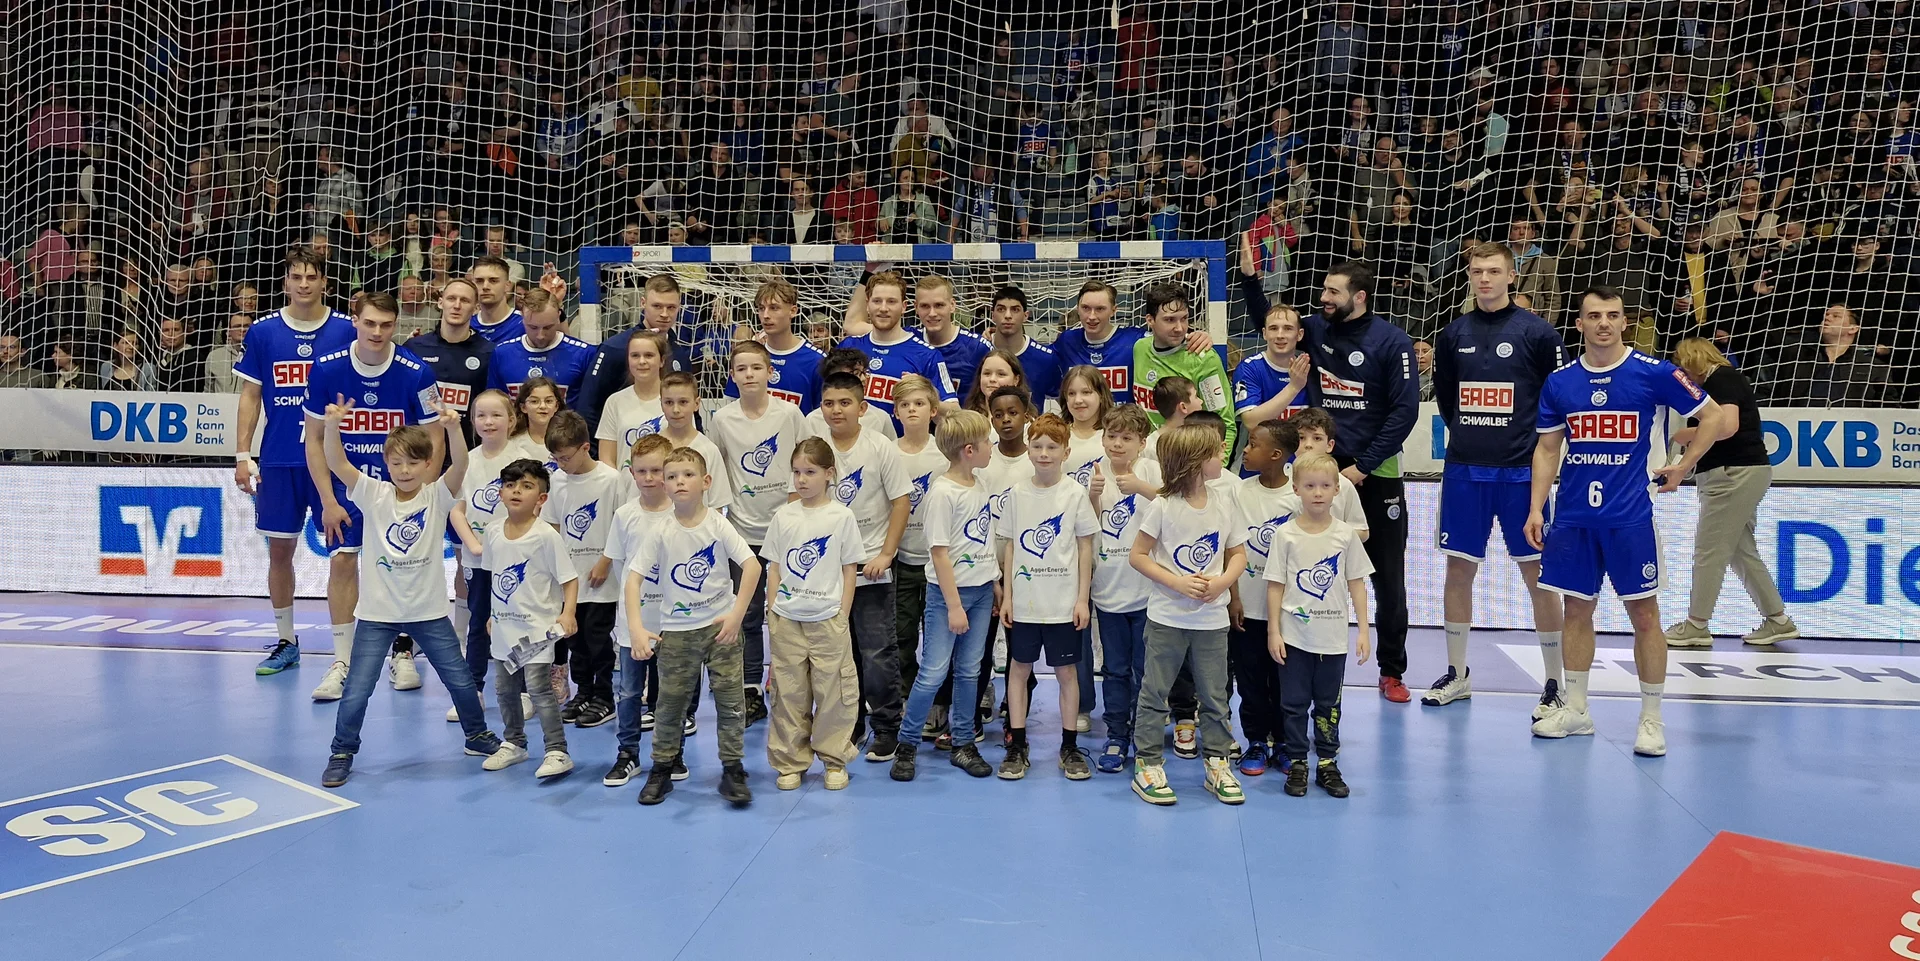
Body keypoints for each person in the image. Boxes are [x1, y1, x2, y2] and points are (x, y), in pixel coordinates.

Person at [1525, 286, 1728, 758]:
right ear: (1579, 323)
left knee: (1645, 616)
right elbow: (1548, 449)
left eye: (1612, 315)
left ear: (1624, 322)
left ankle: (1652, 719)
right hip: (1573, 517)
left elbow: (1714, 416)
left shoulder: (1654, 373)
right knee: (1576, 611)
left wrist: (1684, 465)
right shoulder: (1560, 382)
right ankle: (1577, 709)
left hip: (1630, 516)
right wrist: (1536, 508)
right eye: (1594, 315)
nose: (1604, 323)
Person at [318, 396, 500, 787]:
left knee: (461, 681)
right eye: (397, 463)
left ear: (428, 464)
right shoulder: (373, 493)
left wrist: (453, 428)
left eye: (414, 463)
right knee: (357, 690)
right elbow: (336, 462)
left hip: (429, 612)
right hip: (376, 614)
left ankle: (476, 735)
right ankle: (342, 751)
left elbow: (461, 463)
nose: (404, 470)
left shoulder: (438, 495)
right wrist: (332, 426)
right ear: (386, 463)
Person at [1423, 242, 1569, 711]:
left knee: (1538, 574)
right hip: (1465, 471)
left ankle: (1555, 681)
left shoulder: (1538, 333)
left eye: (1493, 271)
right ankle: (1458, 673)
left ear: (1511, 276)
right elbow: (1448, 399)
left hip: (1523, 474)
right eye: (1477, 271)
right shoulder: (1452, 334)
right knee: (1458, 570)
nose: (1484, 279)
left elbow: (1558, 398)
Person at [300, 291, 442, 702]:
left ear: (395, 325)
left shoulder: (417, 372)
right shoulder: (326, 368)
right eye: (370, 323)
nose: (377, 331)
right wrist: (327, 500)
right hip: (349, 488)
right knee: (343, 561)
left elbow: (435, 439)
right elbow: (313, 439)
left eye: (385, 324)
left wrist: (423, 495)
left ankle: (402, 652)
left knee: (402, 568)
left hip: (402, 490)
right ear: (355, 322)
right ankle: (342, 661)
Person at [233, 248, 354, 678]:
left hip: (335, 462)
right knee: (280, 551)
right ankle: (286, 641)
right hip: (280, 459)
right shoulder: (264, 332)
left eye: (311, 276)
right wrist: (243, 455)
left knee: (345, 554)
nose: (304, 284)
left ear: (324, 283)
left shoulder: (347, 330)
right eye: (296, 277)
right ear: (285, 282)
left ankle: (345, 653)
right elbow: (250, 396)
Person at [1303, 261, 1418, 702]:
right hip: (1323, 472)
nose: (1324, 298)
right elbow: (1269, 322)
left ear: (1359, 297)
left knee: (1388, 576)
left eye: (1333, 292)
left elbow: (1405, 412)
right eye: (1324, 290)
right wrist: (1252, 279)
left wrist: (1363, 466)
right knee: (1309, 565)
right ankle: (1304, 664)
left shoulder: (1391, 341)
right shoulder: (1316, 327)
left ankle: (1392, 671)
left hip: (1375, 472)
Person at [628, 447, 762, 806]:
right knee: (669, 704)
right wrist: (636, 628)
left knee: (731, 703)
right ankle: (662, 767)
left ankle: (732, 768)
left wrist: (736, 614)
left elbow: (752, 566)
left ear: (706, 482)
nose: (679, 482)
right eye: (671, 476)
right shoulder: (660, 530)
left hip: (721, 631)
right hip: (677, 632)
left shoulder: (718, 524)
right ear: (664, 485)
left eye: (687, 475)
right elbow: (633, 579)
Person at [1127, 424, 1250, 806]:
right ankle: (1147, 763)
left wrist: (1223, 583)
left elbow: (1238, 554)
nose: (1222, 456)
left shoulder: (1225, 502)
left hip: (1211, 622)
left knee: (1215, 696)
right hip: (1167, 619)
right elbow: (1138, 555)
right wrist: (1177, 583)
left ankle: (1217, 762)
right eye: (1215, 452)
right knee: (1155, 692)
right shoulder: (1163, 506)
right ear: (1196, 462)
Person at [1664, 337, 1799, 647]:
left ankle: (1697, 624)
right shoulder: (1728, 380)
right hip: (1741, 472)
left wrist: (1683, 435)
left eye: (1682, 365)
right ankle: (1778, 620)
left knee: (1709, 551)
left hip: (1732, 473)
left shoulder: (1721, 379)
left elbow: (1726, 427)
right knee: (1741, 552)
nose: (1682, 374)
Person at [893, 409, 1000, 780]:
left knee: (970, 671)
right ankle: (907, 744)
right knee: (934, 671)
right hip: (948, 597)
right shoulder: (942, 493)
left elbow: (982, 539)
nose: (991, 447)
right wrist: (954, 606)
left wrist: (994, 581)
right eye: (986, 442)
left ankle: (963, 742)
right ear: (969, 450)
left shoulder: (979, 485)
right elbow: (939, 553)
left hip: (981, 592)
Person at [711, 341, 812, 729]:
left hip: (787, 530)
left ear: (771, 372)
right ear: (732, 375)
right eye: (741, 368)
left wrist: (795, 512)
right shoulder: (722, 419)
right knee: (749, 615)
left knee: (791, 612)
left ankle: (792, 687)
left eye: (757, 367)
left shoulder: (789, 414)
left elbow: (805, 460)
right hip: (743, 531)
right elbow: (718, 470)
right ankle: (751, 688)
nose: (749, 374)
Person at [993, 413, 1100, 781]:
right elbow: (1010, 547)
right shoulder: (1017, 494)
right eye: (1037, 446)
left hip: (1063, 605)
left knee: (1067, 673)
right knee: (1018, 670)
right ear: (1028, 450)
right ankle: (1017, 744)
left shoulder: (1075, 494)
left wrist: (1082, 599)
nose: (1043, 453)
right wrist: (1008, 597)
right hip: (1024, 604)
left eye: (1052, 447)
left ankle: (1069, 746)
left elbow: (1084, 548)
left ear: (1065, 452)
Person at [1264, 453, 1373, 799]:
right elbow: (1275, 585)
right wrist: (1274, 631)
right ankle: (1298, 761)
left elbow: (1357, 583)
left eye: (1325, 486)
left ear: (1337, 490)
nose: (1317, 492)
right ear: (1296, 489)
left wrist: (1364, 630)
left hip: (1333, 639)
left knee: (1328, 704)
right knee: (1293, 703)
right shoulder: (1285, 535)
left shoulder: (1346, 535)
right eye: (1309, 486)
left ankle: (1327, 762)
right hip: (1294, 638)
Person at [815, 370, 912, 761]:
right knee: (840, 653)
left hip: (871, 566)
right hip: (826, 571)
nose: (836, 410)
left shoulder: (879, 446)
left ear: (862, 407)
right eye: (829, 403)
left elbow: (901, 501)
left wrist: (886, 554)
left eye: (845, 403)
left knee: (877, 651)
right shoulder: (815, 447)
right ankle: (849, 723)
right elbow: (799, 499)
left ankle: (887, 725)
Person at [762, 437, 866, 791]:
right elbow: (774, 567)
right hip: (787, 619)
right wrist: (773, 611)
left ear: (829, 474)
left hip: (828, 619)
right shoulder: (784, 516)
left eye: (810, 472)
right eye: (796, 472)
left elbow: (849, 569)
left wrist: (842, 614)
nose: (802, 479)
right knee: (788, 693)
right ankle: (790, 761)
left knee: (834, 693)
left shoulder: (842, 516)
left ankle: (834, 759)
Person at [477, 459, 580, 779]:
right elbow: (495, 577)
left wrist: (568, 613)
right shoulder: (493, 532)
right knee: (504, 689)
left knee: (538, 688)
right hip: (505, 629)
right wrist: (493, 615)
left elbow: (569, 579)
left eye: (526, 486)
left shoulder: (546, 536)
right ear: (500, 493)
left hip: (537, 630)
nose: (516, 491)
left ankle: (557, 750)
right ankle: (514, 743)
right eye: (510, 485)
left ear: (542, 498)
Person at [450, 389, 541, 721]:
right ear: (473, 421)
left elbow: (534, 508)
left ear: (512, 420)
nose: (488, 422)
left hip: (517, 561)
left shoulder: (524, 459)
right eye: (481, 416)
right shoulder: (466, 462)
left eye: (496, 415)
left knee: (520, 622)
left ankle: (524, 691)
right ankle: (472, 690)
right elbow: (456, 510)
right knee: (479, 623)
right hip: (479, 561)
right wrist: (474, 546)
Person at [540, 411, 629, 729]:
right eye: (556, 458)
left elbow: (622, 525)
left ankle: (604, 697)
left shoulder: (611, 479)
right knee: (574, 640)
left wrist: (605, 561)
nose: (561, 464)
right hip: (570, 580)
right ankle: (584, 692)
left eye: (565, 457)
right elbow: (552, 526)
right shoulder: (557, 481)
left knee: (598, 639)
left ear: (585, 447)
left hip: (601, 579)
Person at [597, 434, 676, 787]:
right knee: (629, 692)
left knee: (671, 692)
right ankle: (627, 753)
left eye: (657, 470)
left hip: (673, 623)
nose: (649, 478)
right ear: (631, 472)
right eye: (641, 471)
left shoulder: (682, 514)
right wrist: (634, 617)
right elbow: (622, 570)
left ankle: (670, 754)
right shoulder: (625, 515)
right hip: (634, 623)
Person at [1088, 405, 1161, 774]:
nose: (1117, 443)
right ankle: (1116, 734)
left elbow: (1175, 509)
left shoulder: (1152, 471)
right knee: (1114, 669)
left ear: (1142, 443)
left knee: (1145, 670)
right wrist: (1092, 498)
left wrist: (1141, 488)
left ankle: (1145, 737)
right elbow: (1083, 529)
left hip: (1148, 594)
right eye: (1111, 436)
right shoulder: (1092, 472)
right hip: (1108, 591)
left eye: (1126, 437)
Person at [1225, 420, 1294, 777]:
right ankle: (1255, 741)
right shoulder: (1239, 491)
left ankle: (1284, 742)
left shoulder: (1298, 495)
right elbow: (1230, 546)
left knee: (1284, 681)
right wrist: (1233, 597)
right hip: (1247, 607)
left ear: (1276, 455)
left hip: (1286, 614)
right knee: (1250, 679)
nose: (1246, 450)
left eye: (1253, 444)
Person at [891, 376, 950, 732]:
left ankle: (938, 702)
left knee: (938, 640)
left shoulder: (943, 453)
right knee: (901, 635)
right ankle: (908, 696)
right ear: (895, 412)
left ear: (933, 411)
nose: (912, 410)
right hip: (900, 561)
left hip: (936, 562)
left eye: (919, 404)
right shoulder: (888, 452)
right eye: (905, 405)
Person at [1054, 280, 1213, 407]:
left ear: (1114, 310)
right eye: (1086, 308)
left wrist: (1196, 337)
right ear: (1078, 309)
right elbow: (1040, 356)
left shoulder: (1136, 340)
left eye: (1100, 309)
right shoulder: (1067, 341)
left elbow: (1168, 338)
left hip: (1125, 430)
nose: (1092, 316)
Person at [576, 273, 697, 436]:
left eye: (671, 307)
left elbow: (690, 408)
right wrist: (601, 450)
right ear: (643, 303)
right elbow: (589, 407)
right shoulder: (615, 348)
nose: (664, 314)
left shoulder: (679, 353)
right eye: (657, 306)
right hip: (622, 444)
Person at [841, 270, 958, 428]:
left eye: (891, 301)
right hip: (853, 442)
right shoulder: (848, 347)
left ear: (904, 306)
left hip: (901, 443)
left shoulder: (928, 355)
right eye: (877, 301)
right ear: (867, 305)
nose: (883, 308)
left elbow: (955, 413)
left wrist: (926, 394)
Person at [1133, 283, 1237, 457]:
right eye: (1170, 320)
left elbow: (1225, 423)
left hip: (1187, 459)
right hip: (1147, 455)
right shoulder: (1140, 348)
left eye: (1184, 318)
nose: (1179, 328)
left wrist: (1217, 465)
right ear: (1150, 320)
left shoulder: (1203, 359)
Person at [404, 278, 492, 450]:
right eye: (451, 298)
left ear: (476, 309)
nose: (457, 305)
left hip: (467, 450)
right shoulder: (414, 348)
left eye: (464, 300)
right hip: (419, 451)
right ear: (440, 302)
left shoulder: (489, 353)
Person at [721, 280, 824, 411]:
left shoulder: (816, 361)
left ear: (793, 311)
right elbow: (731, 411)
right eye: (761, 308)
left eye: (774, 308)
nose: (766, 316)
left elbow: (822, 417)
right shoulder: (746, 357)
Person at [1231, 304, 1311, 465]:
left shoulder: (1310, 367)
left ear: (1299, 334)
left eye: (1288, 328)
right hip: (1256, 467)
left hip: (1303, 465)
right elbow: (1252, 422)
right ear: (1264, 333)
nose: (1280, 335)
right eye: (1273, 328)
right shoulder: (1249, 368)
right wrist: (1294, 387)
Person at [486, 288, 594, 401]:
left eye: (548, 327)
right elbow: (493, 403)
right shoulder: (502, 354)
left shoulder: (583, 354)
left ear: (558, 316)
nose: (540, 335)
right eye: (533, 327)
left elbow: (590, 405)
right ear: (522, 317)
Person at [656, 372, 732, 511]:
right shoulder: (652, 450)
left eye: (683, 402)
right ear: (661, 404)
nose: (676, 410)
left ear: (696, 404)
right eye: (669, 402)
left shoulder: (709, 450)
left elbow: (717, 506)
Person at [594, 329, 668, 468]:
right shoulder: (614, 402)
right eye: (635, 356)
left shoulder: (676, 400)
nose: (642, 361)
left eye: (649, 355)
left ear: (662, 361)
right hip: (624, 482)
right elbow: (606, 459)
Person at [911, 274, 991, 400]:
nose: (932, 313)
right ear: (916, 307)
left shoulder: (977, 347)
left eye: (939, 305)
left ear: (952, 305)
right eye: (925, 306)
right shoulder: (908, 340)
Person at [986, 286, 1061, 410]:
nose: (1008, 315)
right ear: (993, 315)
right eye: (1001, 309)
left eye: (1015, 309)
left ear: (1026, 316)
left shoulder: (1046, 359)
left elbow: (1061, 403)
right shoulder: (978, 350)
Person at [807, 347, 901, 440]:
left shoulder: (880, 418)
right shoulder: (813, 420)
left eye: (864, 372)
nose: (863, 379)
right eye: (855, 373)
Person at [467, 255, 527, 342]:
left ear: (507, 286)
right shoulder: (467, 324)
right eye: (479, 281)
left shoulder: (524, 323)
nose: (485, 286)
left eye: (493, 281)